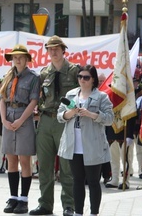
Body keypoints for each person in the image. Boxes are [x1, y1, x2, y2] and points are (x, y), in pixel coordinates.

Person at [31, 35, 79, 216]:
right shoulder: (44, 73)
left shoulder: (74, 71)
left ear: (63, 50)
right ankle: (45, 204)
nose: (53, 51)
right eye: (50, 49)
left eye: (56, 48)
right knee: (44, 165)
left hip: (64, 120)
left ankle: (69, 205)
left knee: (66, 165)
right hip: (45, 120)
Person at [57, 65, 113, 216]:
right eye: (80, 77)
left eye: (86, 77)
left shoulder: (101, 96)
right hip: (73, 145)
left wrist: (91, 114)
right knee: (77, 180)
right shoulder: (70, 95)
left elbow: (109, 119)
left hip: (93, 145)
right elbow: (60, 116)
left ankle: (94, 213)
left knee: (94, 182)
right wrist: (71, 112)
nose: (82, 80)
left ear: (93, 79)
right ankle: (78, 213)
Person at [0, 44, 40, 214]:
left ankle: (23, 199)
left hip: (24, 118)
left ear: (26, 59)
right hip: (8, 118)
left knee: (24, 161)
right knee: (11, 160)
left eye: (20, 57)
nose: (17, 59)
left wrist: (21, 120)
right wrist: (3, 120)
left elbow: (33, 101)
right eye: (14, 57)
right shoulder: (8, 76)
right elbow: (2, 99)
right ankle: (13, 197)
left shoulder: (33, 78)